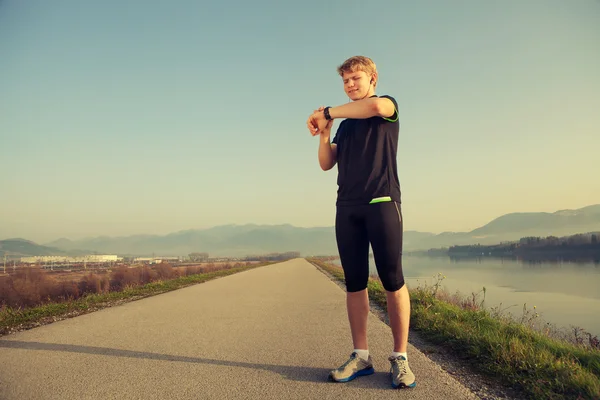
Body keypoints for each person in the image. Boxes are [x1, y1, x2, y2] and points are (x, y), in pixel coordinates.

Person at [306, 55, 416, 389]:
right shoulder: (345, 123)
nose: (350, 84)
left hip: (382, 203)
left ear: (373, 79)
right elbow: (327, 164)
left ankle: (400, 358)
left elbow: (373, 109)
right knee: (354, 283)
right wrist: (325, 134)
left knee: (392, 280)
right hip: (348, 208)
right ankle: (361, 356)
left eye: (356, 78)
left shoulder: (385, 106)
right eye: (346, 80)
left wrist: (327, 112)